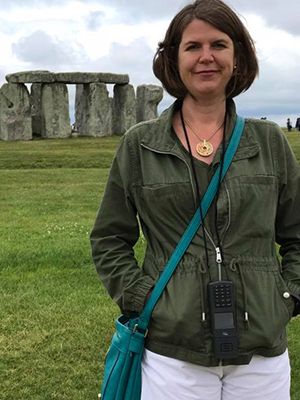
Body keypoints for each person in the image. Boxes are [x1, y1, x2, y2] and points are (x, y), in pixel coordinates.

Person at [90, 0, 300, 399]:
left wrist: (288, 296)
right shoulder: (140, 145)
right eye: (192, 47)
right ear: (173, 59)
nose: (207, 57)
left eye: (219, 45)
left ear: (237, 57)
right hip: (173, 349)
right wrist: (142, 297)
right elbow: (108, 238)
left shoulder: (270, 141)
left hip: (261, 351)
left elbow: (297, 231)